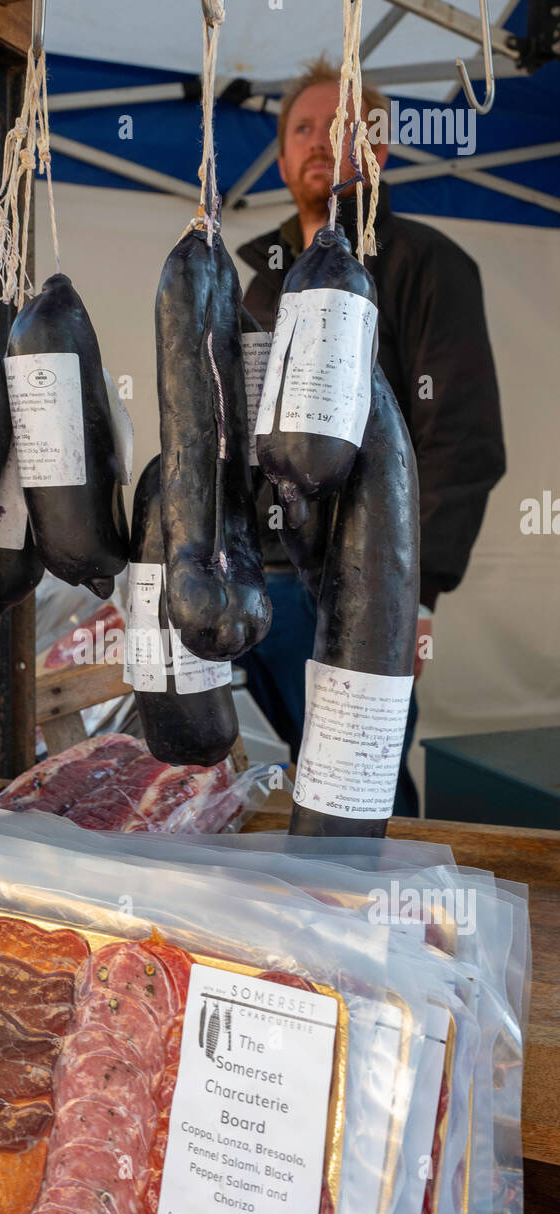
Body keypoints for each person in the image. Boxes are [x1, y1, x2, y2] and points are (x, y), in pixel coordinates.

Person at [237, 59, 506, 817]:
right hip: (261, 581)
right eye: (302, 129)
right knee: (297, 784)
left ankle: (391, 928)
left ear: (379, 150)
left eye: (341, 128)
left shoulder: (429, 265)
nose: (320, 142)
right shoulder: (264, 278)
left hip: (362, 590)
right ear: (285, 158)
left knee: (363, 793)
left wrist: (414, 596)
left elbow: (463, 439)